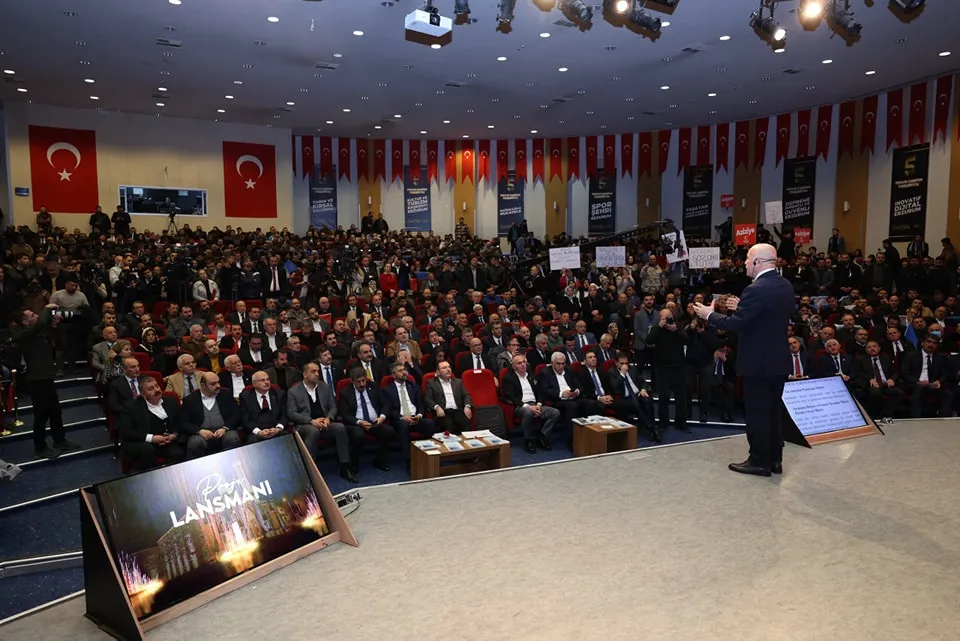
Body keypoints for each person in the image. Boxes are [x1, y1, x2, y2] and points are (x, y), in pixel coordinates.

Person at [693, 243, 796, 477]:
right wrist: (744, 308)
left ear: (758, 262)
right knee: (773, 411)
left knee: (758, 412)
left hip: (758, 363)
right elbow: (768, 318)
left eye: (748, 260)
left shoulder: (755, 289)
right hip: (778, 360)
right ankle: (775, 460)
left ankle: (759, 461)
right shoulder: (785, 285)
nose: (745, 264)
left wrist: (708, 315)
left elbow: (734, 324)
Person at [13, 305, 80, 458]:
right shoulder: (24, 335)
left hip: (47, 377)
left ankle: (60, 440)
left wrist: (55, 326)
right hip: (36, 380)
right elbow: (41, 322)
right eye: (32, 315)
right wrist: (46, 308)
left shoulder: (37, 334)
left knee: (55, 412)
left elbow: (53, 341)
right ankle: (40, 447)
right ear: (25, 322)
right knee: (41, 415)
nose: (36, 316)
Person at [119, 377, 185, 470]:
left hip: (167, 441)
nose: (156, 390)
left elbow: (180, 422)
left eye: (157, 386)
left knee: (178, 453)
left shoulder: (171, 401)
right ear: (142, 394)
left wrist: (174, 435)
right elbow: (126, 432)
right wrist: (151, 438)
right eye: (151, 389)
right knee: (148, 451)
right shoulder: (132, 407)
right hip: (143, 442)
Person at [502, 353, 561, 454]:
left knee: (555, 412)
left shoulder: (531, 374)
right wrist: (528, 407)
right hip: (520, 406)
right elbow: (511, 397)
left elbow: (540, 391)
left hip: (535, 404)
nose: (523, 365)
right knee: (528, 412)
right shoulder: (508, 378)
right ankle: (528, 440)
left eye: (524, 362)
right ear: (513, 366)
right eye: (519, 363)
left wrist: (538, 404)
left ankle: (542, 435)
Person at [337, 367, 394, 472]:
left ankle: (379, 460)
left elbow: (386, 404)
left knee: (388, 431)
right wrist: (359, 422)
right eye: (358, 382)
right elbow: (345, 415)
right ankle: (353, 463)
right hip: (356, 424)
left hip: (374, 422)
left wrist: (382, 417)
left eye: (364, 381)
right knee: (359, 436)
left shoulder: (374, 387)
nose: (362, 384)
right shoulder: (345, 393)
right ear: (352, 381)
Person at [381, 362, 436, 464]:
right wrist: (402, 418)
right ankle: (409, 460)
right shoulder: (387, 389)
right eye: (400, 371)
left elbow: (420, 403)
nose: (404, 373)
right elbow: (389, 410)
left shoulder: (413, 386)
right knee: (403, 426)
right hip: (400, 420)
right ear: (393, 375)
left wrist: (419, 415)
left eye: (404, 370)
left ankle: (429, 454)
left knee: (430, 423)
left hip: (416, 418)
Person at [179, 372, 243, 458]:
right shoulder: (190, 400)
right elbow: (183, 422)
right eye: (213, 384)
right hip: (200, 433)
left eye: (218, 382)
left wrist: (225, 428)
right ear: (203, 385)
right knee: (195, 443)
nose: (218, 386)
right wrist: (199, 431)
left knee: (232, 438)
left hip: (224, 430)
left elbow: (236, 414)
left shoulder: (226, 394)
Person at [424, 360, 473, 433]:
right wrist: (436, 407)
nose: (448, 369)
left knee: (465, 424)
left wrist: (467, 406)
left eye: (449, 367)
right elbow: (427, 398)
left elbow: (466, 395)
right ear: (438, 372)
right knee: (448, 425)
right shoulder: (431, 383)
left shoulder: (458, 382)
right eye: (444, 368)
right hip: (443, 412)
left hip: (457, 411)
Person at [240, 370, 289, 443]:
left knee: (287, 437)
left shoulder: (279, 394)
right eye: (262, 380)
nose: (266, 382)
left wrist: (278, 428)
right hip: (256, 431)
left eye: (268, 379)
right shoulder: (245, 397)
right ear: (254, 383)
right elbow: (245, 419)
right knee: (252, 440)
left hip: (275, 428)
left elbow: (284, 415)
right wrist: (259, 432)